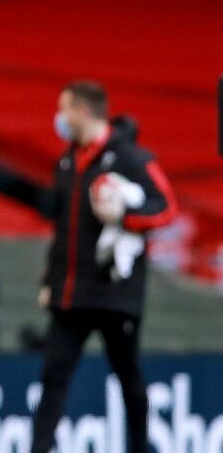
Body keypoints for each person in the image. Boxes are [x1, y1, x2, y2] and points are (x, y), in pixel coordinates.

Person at [32, 81, 178, 453]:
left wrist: (125, 216)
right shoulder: (67, 162)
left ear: (83, 111)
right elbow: (62, 228)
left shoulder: (132, 157)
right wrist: (50, 279)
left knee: (129, 378)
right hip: (72, 293)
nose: (59, 118)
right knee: (53, 375)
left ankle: (140, 447)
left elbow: (167, 208)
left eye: (64, 109)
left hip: (116, 293)